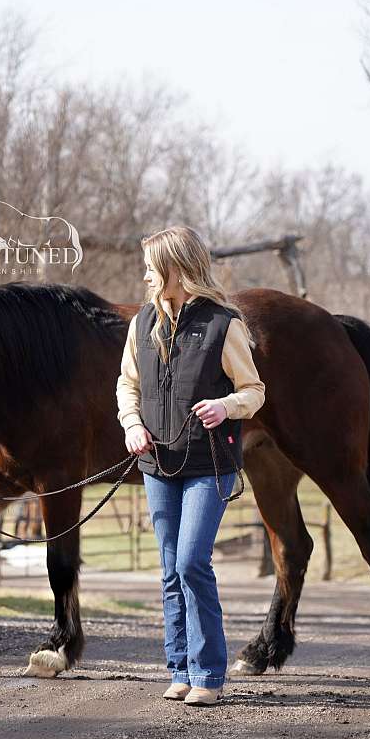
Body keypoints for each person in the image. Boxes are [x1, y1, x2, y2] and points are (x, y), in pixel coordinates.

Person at [116, 226, 266, 706]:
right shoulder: (142, 323)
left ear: (176, 267)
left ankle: (208, 674)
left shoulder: (225, 324)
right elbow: (127, 385)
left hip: (210, 464)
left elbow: (254, 391)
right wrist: (131, 424)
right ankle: (178, 667)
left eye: (152, 266)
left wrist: (226, 406)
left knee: (190, 562)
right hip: (157, 462)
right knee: (167, 569)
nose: (145, 276)